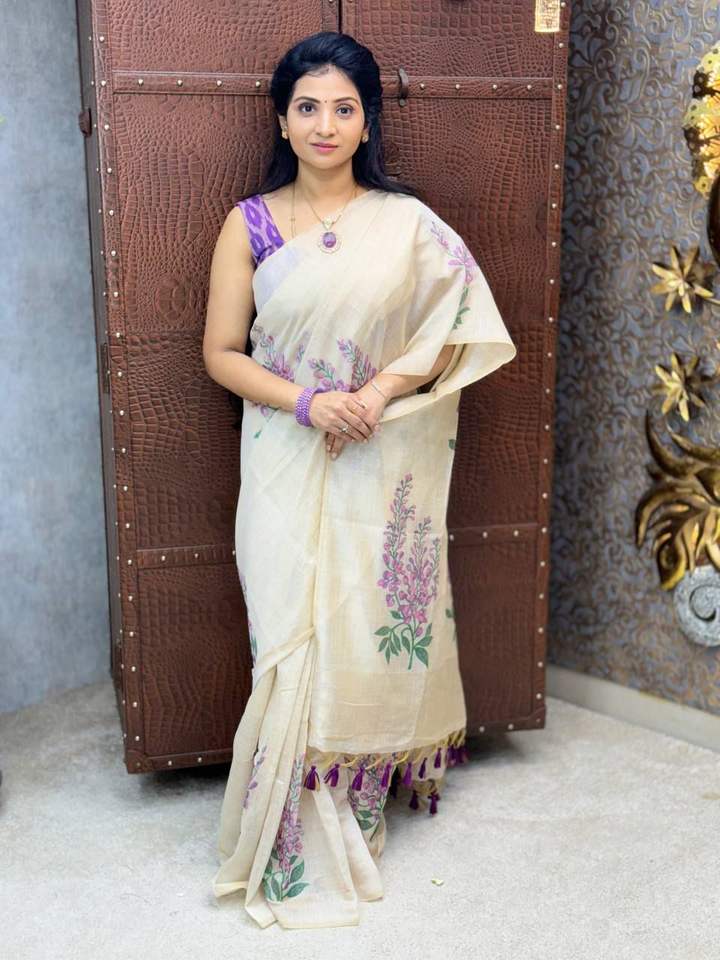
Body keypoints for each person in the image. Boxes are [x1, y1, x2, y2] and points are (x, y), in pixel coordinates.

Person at [202, 30, 517, 929]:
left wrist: (374, 394)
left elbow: (457, 324)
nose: (325, 124)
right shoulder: (251, 224)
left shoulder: (406, 224)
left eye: (344, 108)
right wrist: (311, 403)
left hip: (378, 456)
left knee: (364, 617)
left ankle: (354, 799)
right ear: (282, 119)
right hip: (283, 454)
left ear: (367, 121)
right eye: (308, 107)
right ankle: (289, 830)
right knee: (287, 631)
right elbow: (221, 353)